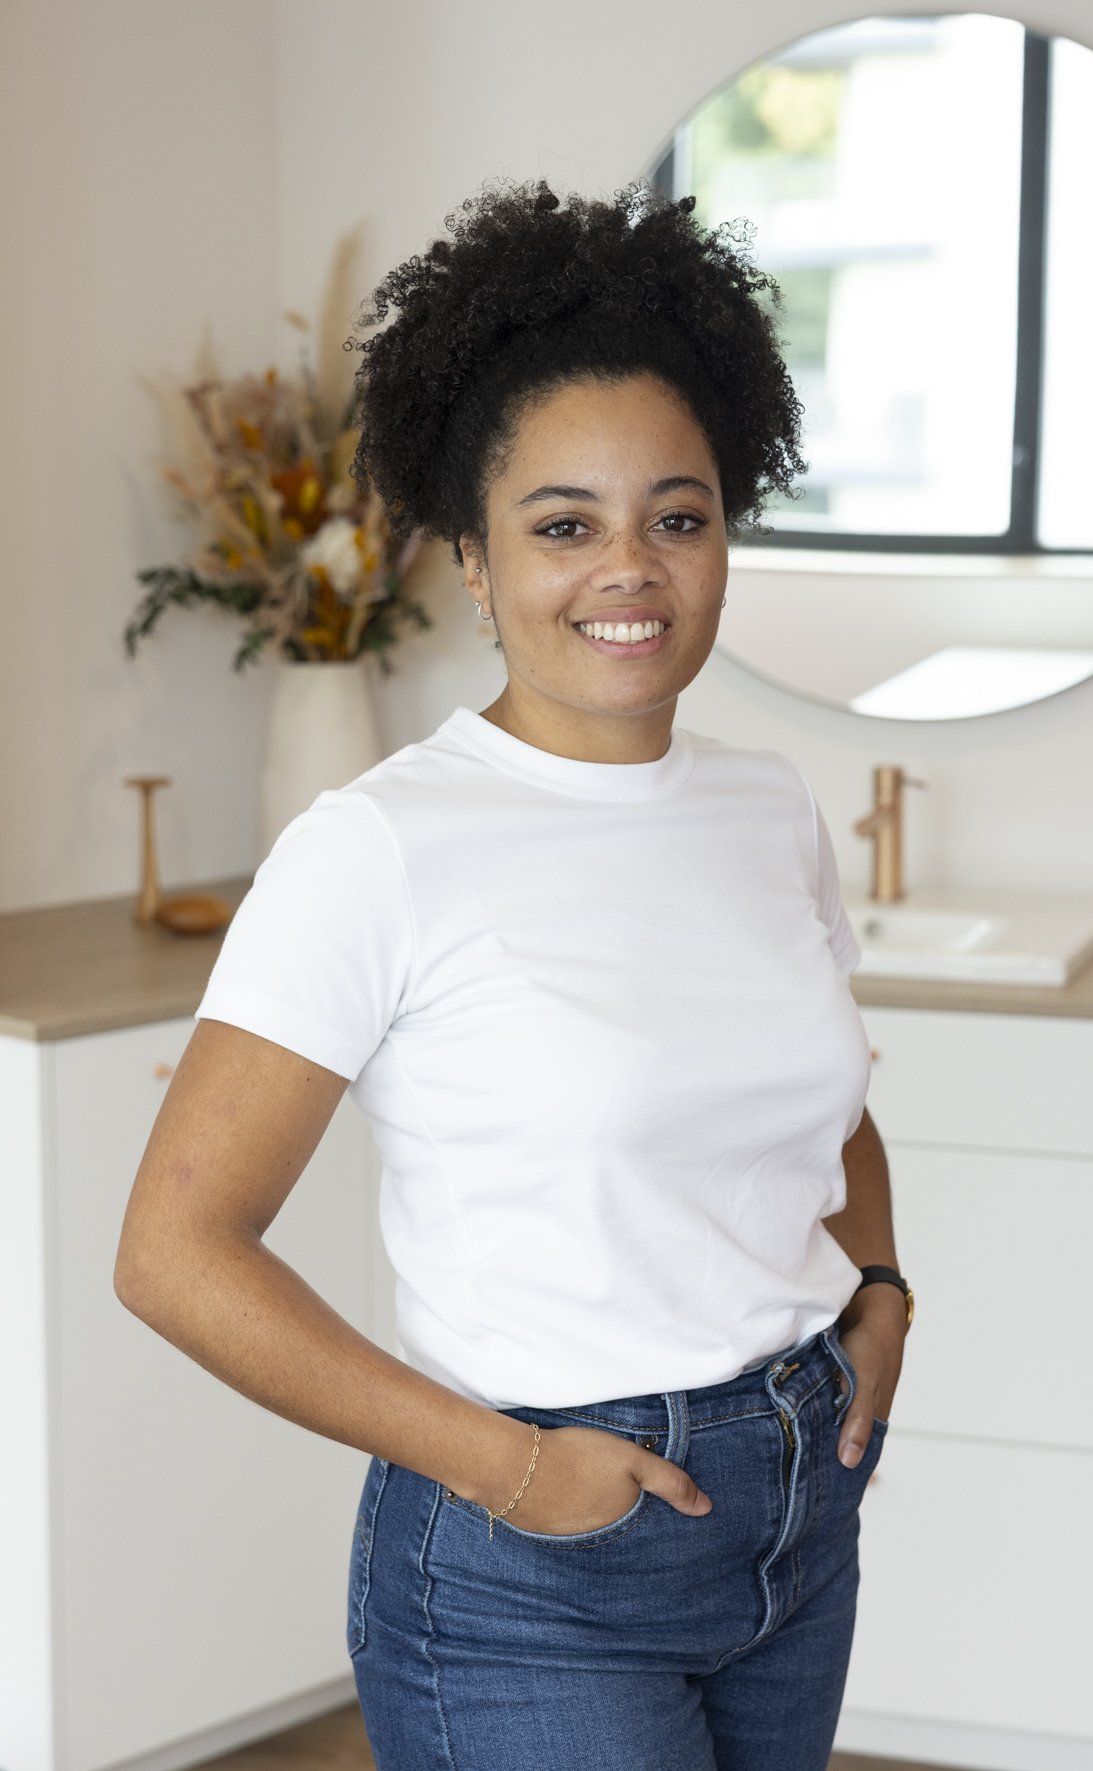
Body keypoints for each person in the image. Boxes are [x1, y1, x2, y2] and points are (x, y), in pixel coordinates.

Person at [115, 177, 912, 1771]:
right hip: (530, 1561)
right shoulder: (383, 846)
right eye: (564, 526)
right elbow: (176, 1253)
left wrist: (879, 1300)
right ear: (472, 564)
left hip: (794, 1506)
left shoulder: (766, 806)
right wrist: (508, 1471)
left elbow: (824, 1117)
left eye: (675, 517)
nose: (629, 567)